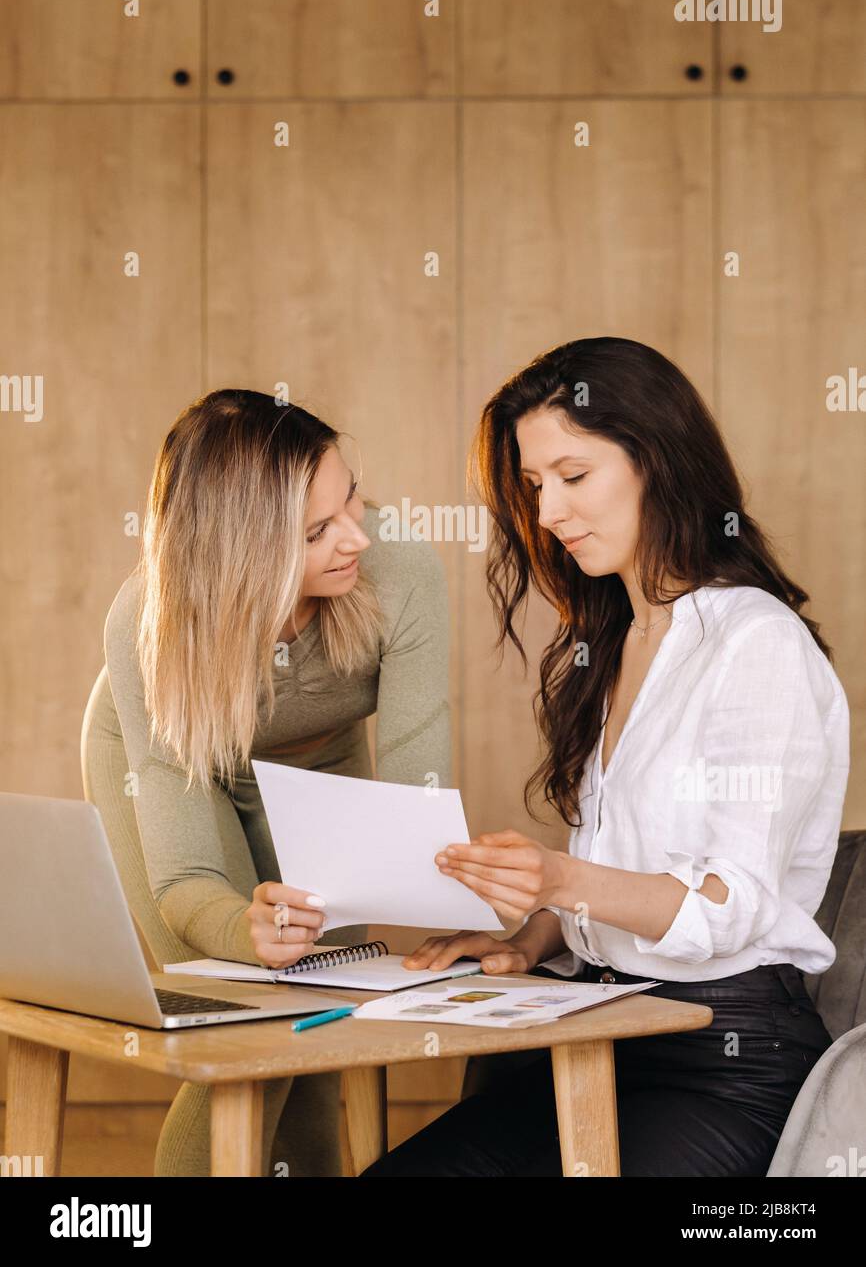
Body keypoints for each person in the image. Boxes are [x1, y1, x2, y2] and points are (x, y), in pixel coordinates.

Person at [362, 335, 849, 1177]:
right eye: (535, 485)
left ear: (657, 460)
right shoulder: (614, 643)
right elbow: (621, 871)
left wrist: (560, 880)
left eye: (573, 476)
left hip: (723, 1065)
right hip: (599, 1029)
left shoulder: (755, 644)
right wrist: (532, 933)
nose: (547, 512)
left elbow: (731, 902)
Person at [80, 388, 450, 1175]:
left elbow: (422, 801)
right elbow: (185, 880)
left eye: (351, 495)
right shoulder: (144, 620)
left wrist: (459, 894)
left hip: (317, 763)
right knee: (243, 1022)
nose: (356, 535)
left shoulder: (402, 566)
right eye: (317, 531)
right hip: (181, 769)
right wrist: (243, 930)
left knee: (315, 1027)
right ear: (241, 553)